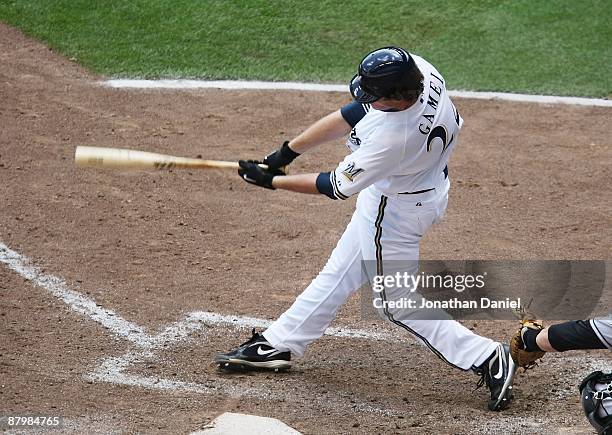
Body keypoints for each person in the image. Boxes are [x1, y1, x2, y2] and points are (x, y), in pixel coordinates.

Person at [214, 46, 517, 411]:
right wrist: (284, 155)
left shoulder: (394, 139)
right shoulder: (419, 70)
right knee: (341, 271)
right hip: (425, 188)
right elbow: (353, 112)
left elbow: (334, 186)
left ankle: (487, 356)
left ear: (397, 97)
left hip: (394, 211)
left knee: (395, 303)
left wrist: (271, 182)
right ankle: (280, 342)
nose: (368, 100)